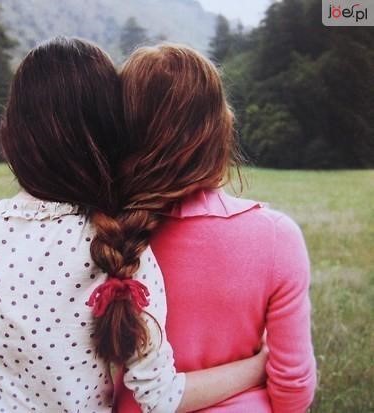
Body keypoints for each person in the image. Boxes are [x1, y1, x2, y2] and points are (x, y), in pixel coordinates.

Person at [0, 37, 268, 413]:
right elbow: (160, 397)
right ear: (111, 138)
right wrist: (258, 366)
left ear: (12, 132)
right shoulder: (116, 243)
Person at [112, 44, 317, 412]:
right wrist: (258, 367)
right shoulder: (277, 237)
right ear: (220, 128)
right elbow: (293, 390)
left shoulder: (105, 237)